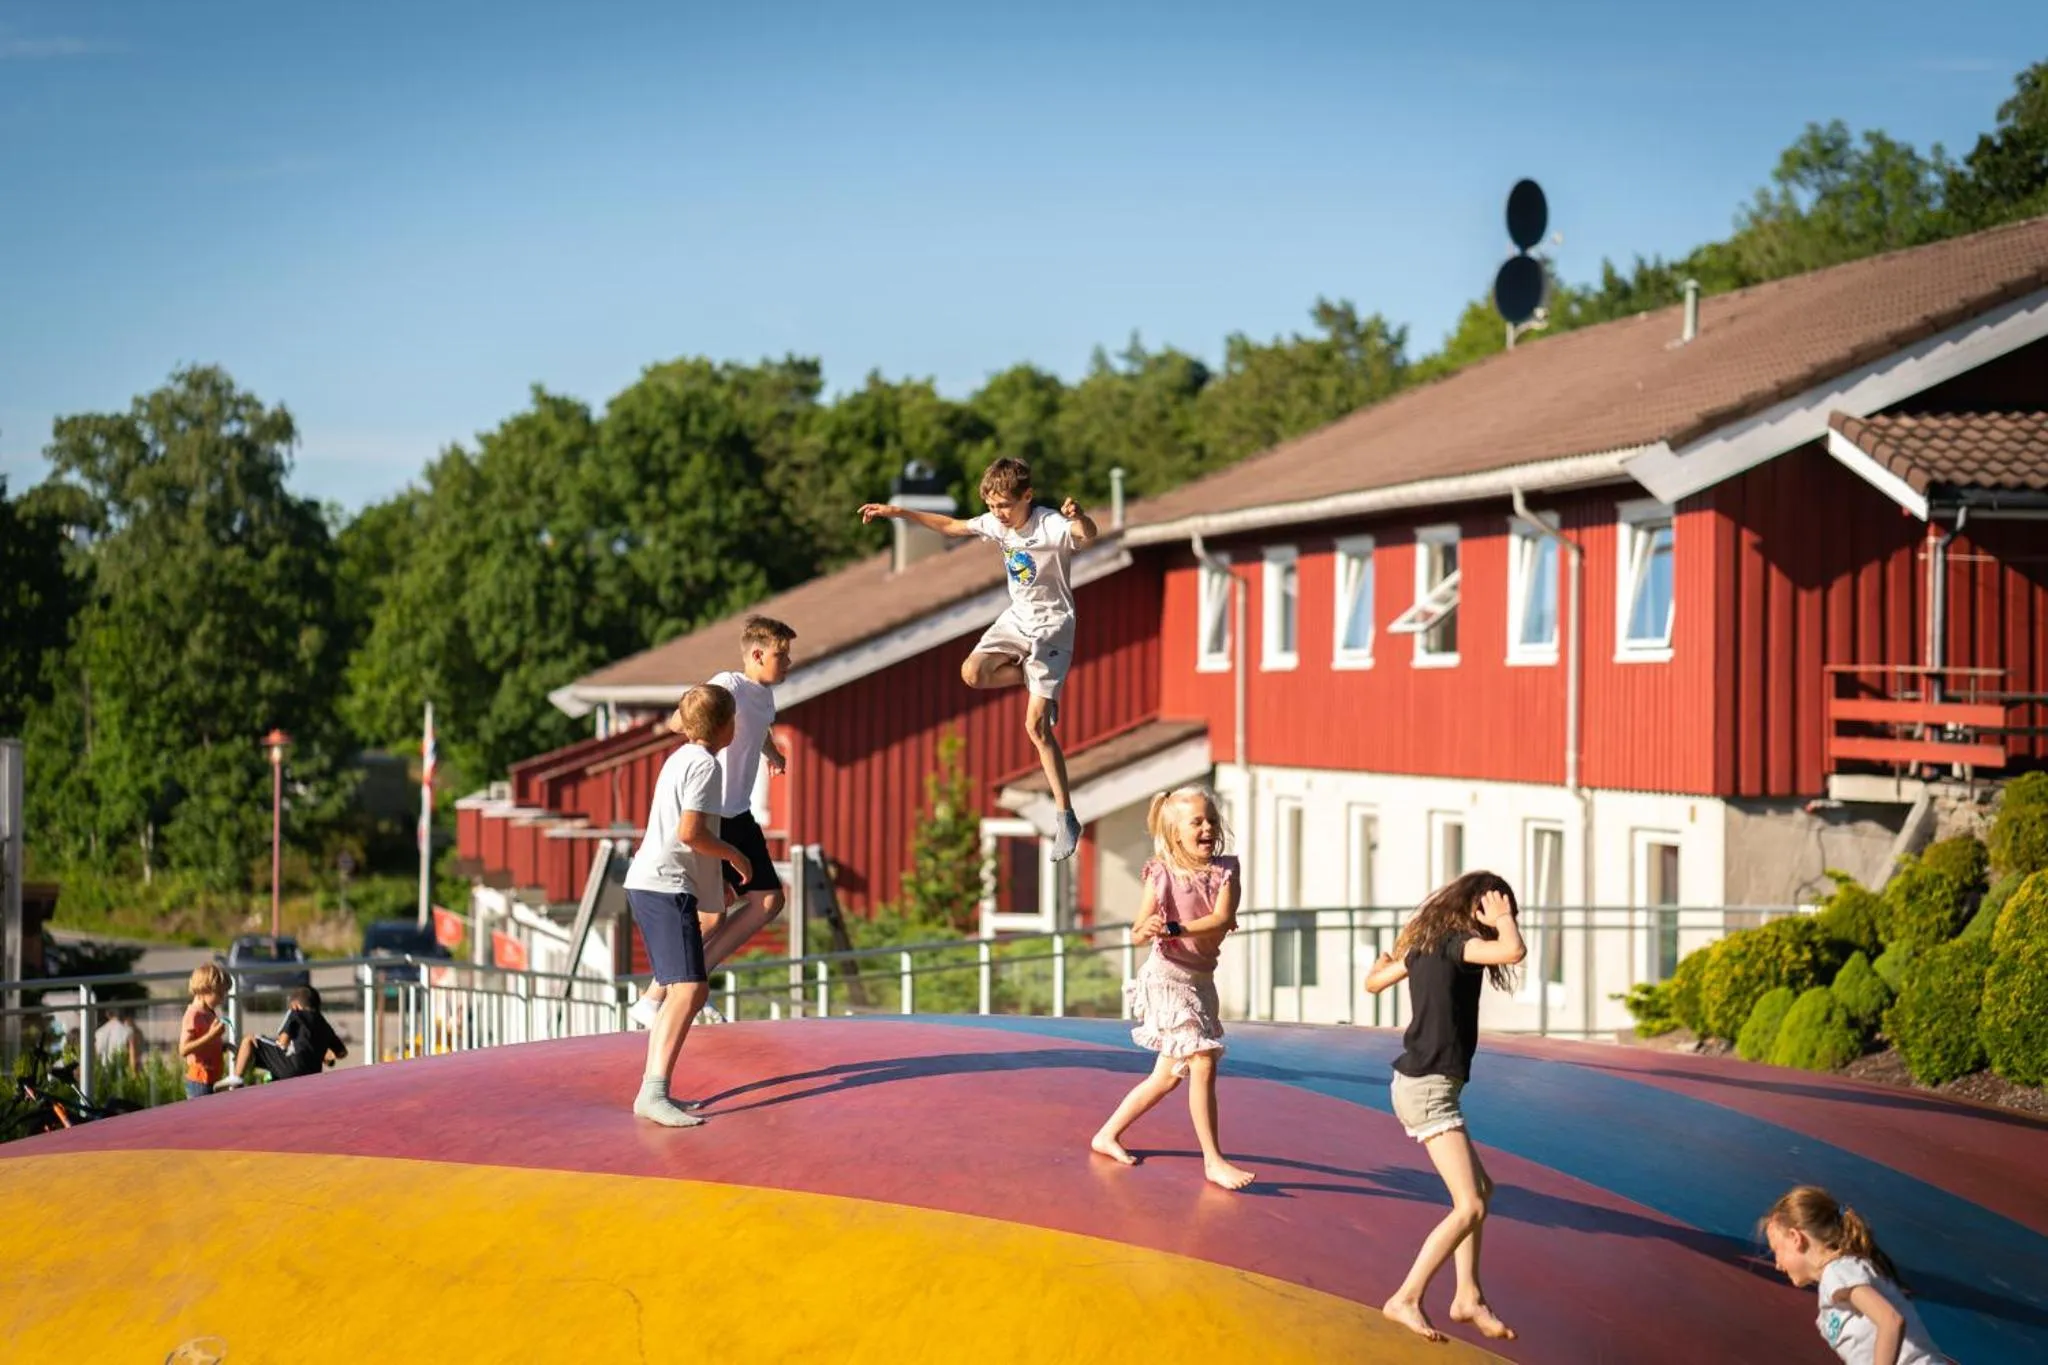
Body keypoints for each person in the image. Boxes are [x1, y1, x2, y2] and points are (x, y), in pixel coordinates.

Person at [858, 456, 1098, 861]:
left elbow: (1085, 534)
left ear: (1027, 496)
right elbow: (952, 526)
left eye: (1005, 506)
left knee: (1036, 728)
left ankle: (1065, 815)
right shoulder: (994, 522)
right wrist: (899, 512)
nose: (998, 515)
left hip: (1052, 629)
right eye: (992, 507)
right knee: (973, 672)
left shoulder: (1048, 524)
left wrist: (1082, 516)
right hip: (1016, 619)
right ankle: (1035, 684)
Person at [1364, 872, 1526, 1344]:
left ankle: (1467, 1296)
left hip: (1425, 1084)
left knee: (1482, 1190)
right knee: (1470, 1203)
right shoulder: (1458, 944)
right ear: (1477, 910)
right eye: (1493, 911)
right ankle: (1406, 1297)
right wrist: (1505, 920)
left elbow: (1375, 983)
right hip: (1427, 1089)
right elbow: (1512, 951)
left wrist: (1384, 964)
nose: (1499, 922)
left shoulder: (1425, 947)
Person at [631, 615, 796, 1029]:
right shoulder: (730, 684)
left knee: (768, 902)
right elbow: (680, 720)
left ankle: (685, 987)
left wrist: (770, 752)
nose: (788, 662)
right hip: (714, 816)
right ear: (756, 655)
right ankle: (660, 996)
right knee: (713, 915)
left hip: (739, 811)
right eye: (781, 655)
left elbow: (757, 728)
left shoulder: (764, 698)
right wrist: (696, 733)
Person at [1089, 786, 1253, 1192]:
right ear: (1176, 832)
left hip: (1201, 982)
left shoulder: (1225, 870)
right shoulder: (1161, 873)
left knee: (1165, 1077)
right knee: (1203, 1060)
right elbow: (1138, 930)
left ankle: (1106, 1134)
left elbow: (1221, 918)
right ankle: (1213, 1161)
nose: (1206, 828)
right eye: (1196, 822)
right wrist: (1145, 929)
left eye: (1211, 820)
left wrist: (1176, 927)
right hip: (1167, 978)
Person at [622, 683, 750, 1127]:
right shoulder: (704, 766)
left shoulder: (684, 757)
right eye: (734, 719)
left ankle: (655, 1089)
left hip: (657, 882)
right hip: (662, 884)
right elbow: (690, 832)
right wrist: (734, 855)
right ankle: (652, 1093)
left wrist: (714, 887)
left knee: (685, 987)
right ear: (724, 727)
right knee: (691, 990)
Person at [1761, 1186, 1952, 1365]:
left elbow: (1891, 1321)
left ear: (1796, 1238)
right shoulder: (1835, 1284)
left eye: (1777, 1250)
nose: (1777, 1264)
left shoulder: (1838, 1272)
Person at [214, 985, 347, 1089]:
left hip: (290, 1068)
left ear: (295, 1005)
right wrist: (323, 1056)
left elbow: (282, 1043)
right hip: (312, 1074)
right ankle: (257, 1066)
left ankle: (237, 1077)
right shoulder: (325, 1025)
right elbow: (341, 1053)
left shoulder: (295, 1013)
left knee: (249, 1039)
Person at [179, 963, 230, 1100]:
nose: (222, 999)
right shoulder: (193, 1015)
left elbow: (205, 1045)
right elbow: (184, 1049)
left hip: (213, 1078)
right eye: (219, 994)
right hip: (199, 1080)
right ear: (204, 989)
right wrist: (211, 1035)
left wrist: (223, 1046)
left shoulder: (209, 1012)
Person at [93, 1006, 143, 1073]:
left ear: (107, 1014)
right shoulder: (128, 1031)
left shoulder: (99, 1032)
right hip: (121, 1073)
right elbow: (132, 1058)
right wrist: (134, 1076)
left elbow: (95, 1055)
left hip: (103, 1074)